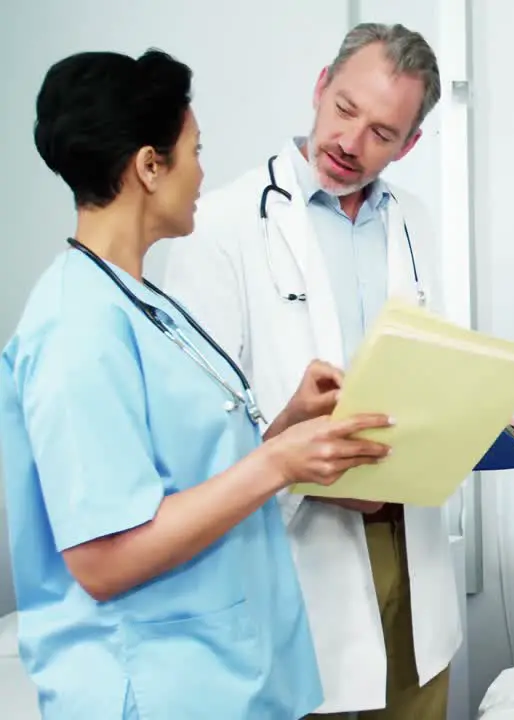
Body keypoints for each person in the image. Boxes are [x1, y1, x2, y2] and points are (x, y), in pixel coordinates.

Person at [0, 49, 395, 719]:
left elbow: (195, 479)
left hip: (224, 669)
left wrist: (289, 423)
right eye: (195, 151)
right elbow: (103, 558)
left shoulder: (141, 303)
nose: (204, 173)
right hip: (153, 685)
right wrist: (277, 463)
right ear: (149, 166)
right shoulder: (75, 324)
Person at [162, 23, 514, 719]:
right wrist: (296, 457)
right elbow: (190, 437)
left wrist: (476, 412)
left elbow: (427, 364)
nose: (351, 144)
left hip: (409, 542)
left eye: (383, 133)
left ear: (411, 145)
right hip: (296, 547)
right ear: (321, 87)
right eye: (346, 110)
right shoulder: (222, 226)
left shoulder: (412, 220)